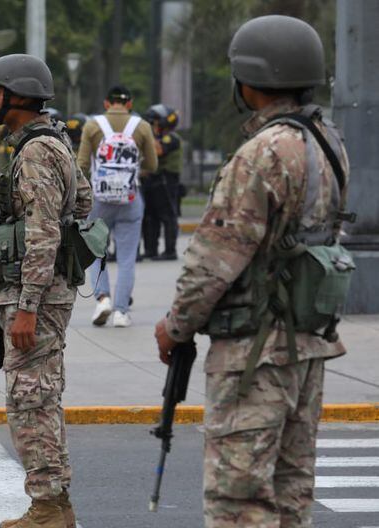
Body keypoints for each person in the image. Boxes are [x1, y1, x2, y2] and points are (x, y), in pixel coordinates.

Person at [154, 15, 352, 527]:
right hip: (307, 345)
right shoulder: (328, 144)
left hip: (254, 354)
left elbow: (214, 260)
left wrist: (175, 326)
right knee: (290, 498)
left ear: (250, 78)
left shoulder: (263, 152)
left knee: (239, 503)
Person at [0, 53, 93, 528]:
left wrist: (27, 305)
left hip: (36, 297)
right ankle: (56, 504)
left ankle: (46, 506)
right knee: (42, 398)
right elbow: (82, 201)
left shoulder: (36, 151)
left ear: (19, 96)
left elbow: (44, 231)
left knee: (29, 401)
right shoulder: (53, 140)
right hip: (46, 291)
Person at [77, 85, 157, 327]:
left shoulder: (92, 125)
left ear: (106, 103)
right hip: (130, 200)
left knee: (95, 252)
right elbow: (152, 165)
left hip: (99, 200)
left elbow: (82, 164)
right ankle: (121, 312)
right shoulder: (142, 126)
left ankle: (103, 299)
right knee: (127, 259)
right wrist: (132, 173)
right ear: (129, 103)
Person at [141, 104, 182, 260]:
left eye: (154, 122)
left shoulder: (171, 138)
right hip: (152, 180)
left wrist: (147, 135)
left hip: (166, 181)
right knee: (150, 217)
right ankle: (150, 249)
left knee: (167, 216)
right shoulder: (158, 138)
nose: (152, 125)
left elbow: (157, 151)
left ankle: (170, 251)